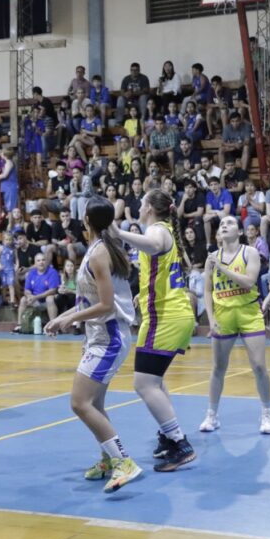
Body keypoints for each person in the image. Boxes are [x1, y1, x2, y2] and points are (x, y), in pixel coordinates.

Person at [44, 198, 142, 494]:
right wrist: (63, 316)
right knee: (94, 404)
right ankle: (109, 458)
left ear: (85, 219)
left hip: (110, 337)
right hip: (100, 335)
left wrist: (70, 319)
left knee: (79, 403)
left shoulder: (99, 253)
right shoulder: (98, 247)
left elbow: (105, 304)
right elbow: (87, 299)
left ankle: (124, 462)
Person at [112, 189, 196, 472]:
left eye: (141, 202)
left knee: (143, 383)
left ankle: (179, 442)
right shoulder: (165, 229)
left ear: (149, 207)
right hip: (171, 313)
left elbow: (153, 244)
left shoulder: (159, 231)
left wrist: (118, 232)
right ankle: (168, 436)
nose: (138, 205)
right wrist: (143, 293)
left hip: (165, 317)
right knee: (154, 381)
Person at [199, 216, 270, 435]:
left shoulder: (250, 253)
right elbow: (207, 290)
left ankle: (267, 412)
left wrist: (222, 268)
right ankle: (212, 415)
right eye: (222, 223)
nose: (224, 225)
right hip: (223, 315)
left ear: (239, 232)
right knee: (218, 368)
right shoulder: (212, 257)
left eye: (230, 223)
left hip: (249, 313)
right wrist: (211, 319)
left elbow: (249, 281)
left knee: (259, 366)